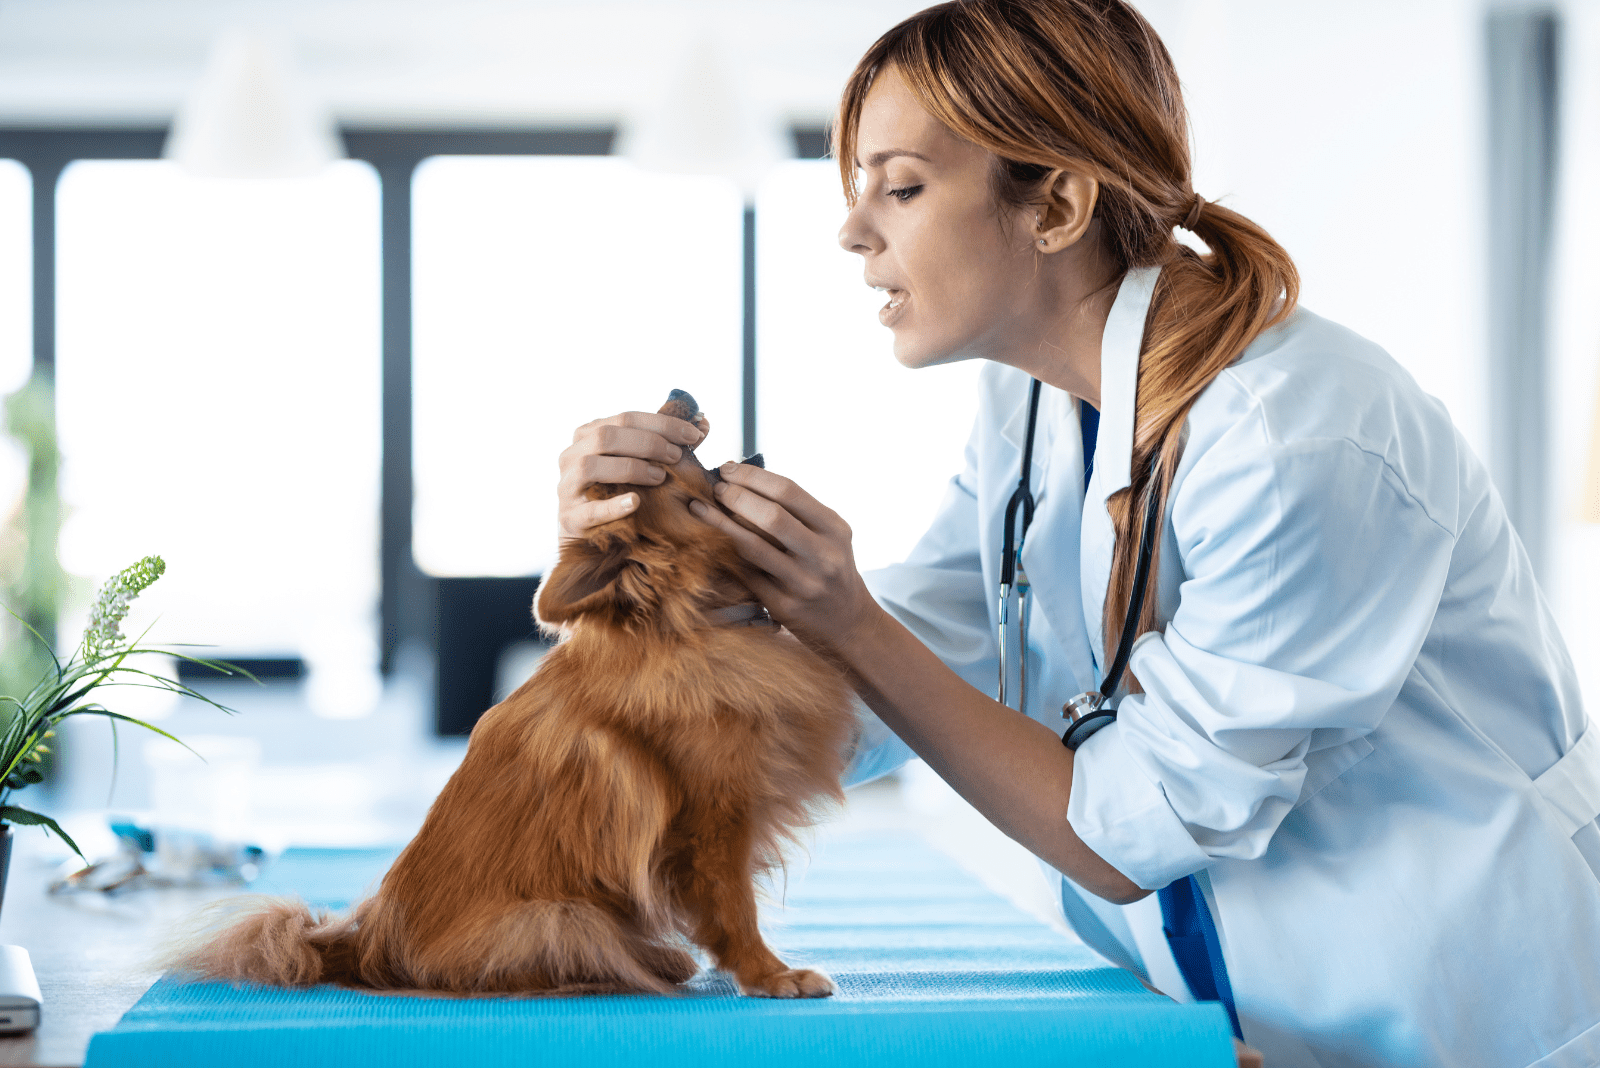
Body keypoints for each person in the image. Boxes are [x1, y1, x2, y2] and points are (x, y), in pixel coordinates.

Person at [555, 2, 1600, 1064]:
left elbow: (1126, 830)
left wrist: (850, 621)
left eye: (901, 186)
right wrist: (649, 564)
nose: (852, 229)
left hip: (1473, 1018)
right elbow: (895, 673)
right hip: (1237, 1014)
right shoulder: (1034, 406)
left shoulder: (1291, 439)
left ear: (1054, 203)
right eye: (854, 189)